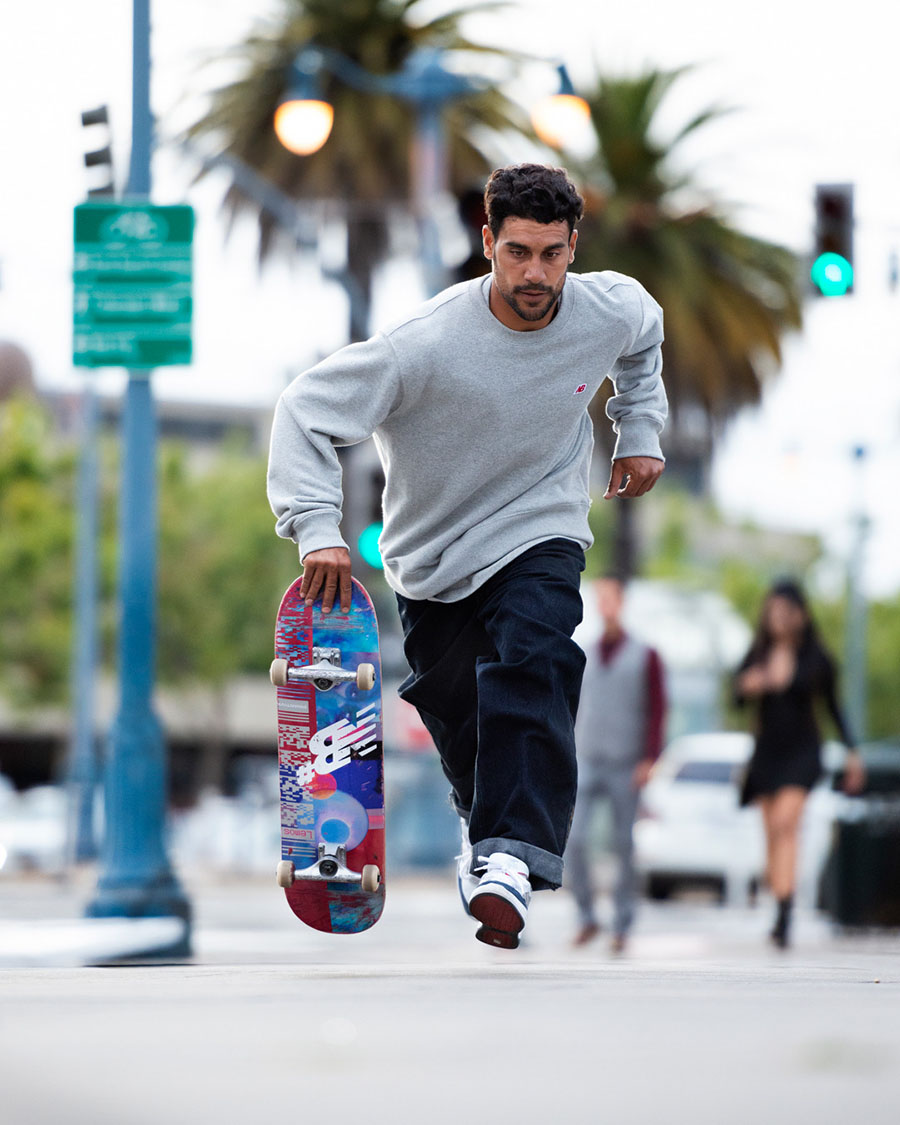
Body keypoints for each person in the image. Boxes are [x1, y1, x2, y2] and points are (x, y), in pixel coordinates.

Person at [267, 163, 668, 949]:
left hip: (542, 530)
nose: (535, 274)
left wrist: (640, 427)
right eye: (517, 252)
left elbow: (645, 335)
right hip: (434, 563)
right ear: (487, 242)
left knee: (536, 660)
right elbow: (303, 410)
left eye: (551, 253)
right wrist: (317, 528)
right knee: (464, 725)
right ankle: (482, 831)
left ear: (573, 247)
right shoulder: (424, 345)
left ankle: (511, 858)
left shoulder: (607, 308)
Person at [734, 579, 865, 949]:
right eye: (772, 610)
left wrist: (853, 752)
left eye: (785, 610)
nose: (777, 617)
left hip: (803, 751)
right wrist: (750, 684)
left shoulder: (817, 657)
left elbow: (834, 708)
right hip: (766, 753)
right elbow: (736, 697)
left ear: (799, 614)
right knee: (772, 834)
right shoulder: (758, 652)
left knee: (786, 823)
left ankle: (785, 911)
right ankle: (780, 896)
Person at [566, 576, 667, 953]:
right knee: (575, 840)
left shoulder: (645, 655)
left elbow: (658, 709)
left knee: (624, 844)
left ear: (622, 602)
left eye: (611, 598)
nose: (605, 605)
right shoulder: (585, 652)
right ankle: (586, 916)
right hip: (587, 757)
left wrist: (650, 757)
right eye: (600, 598)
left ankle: (622, 924)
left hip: (627, 762)